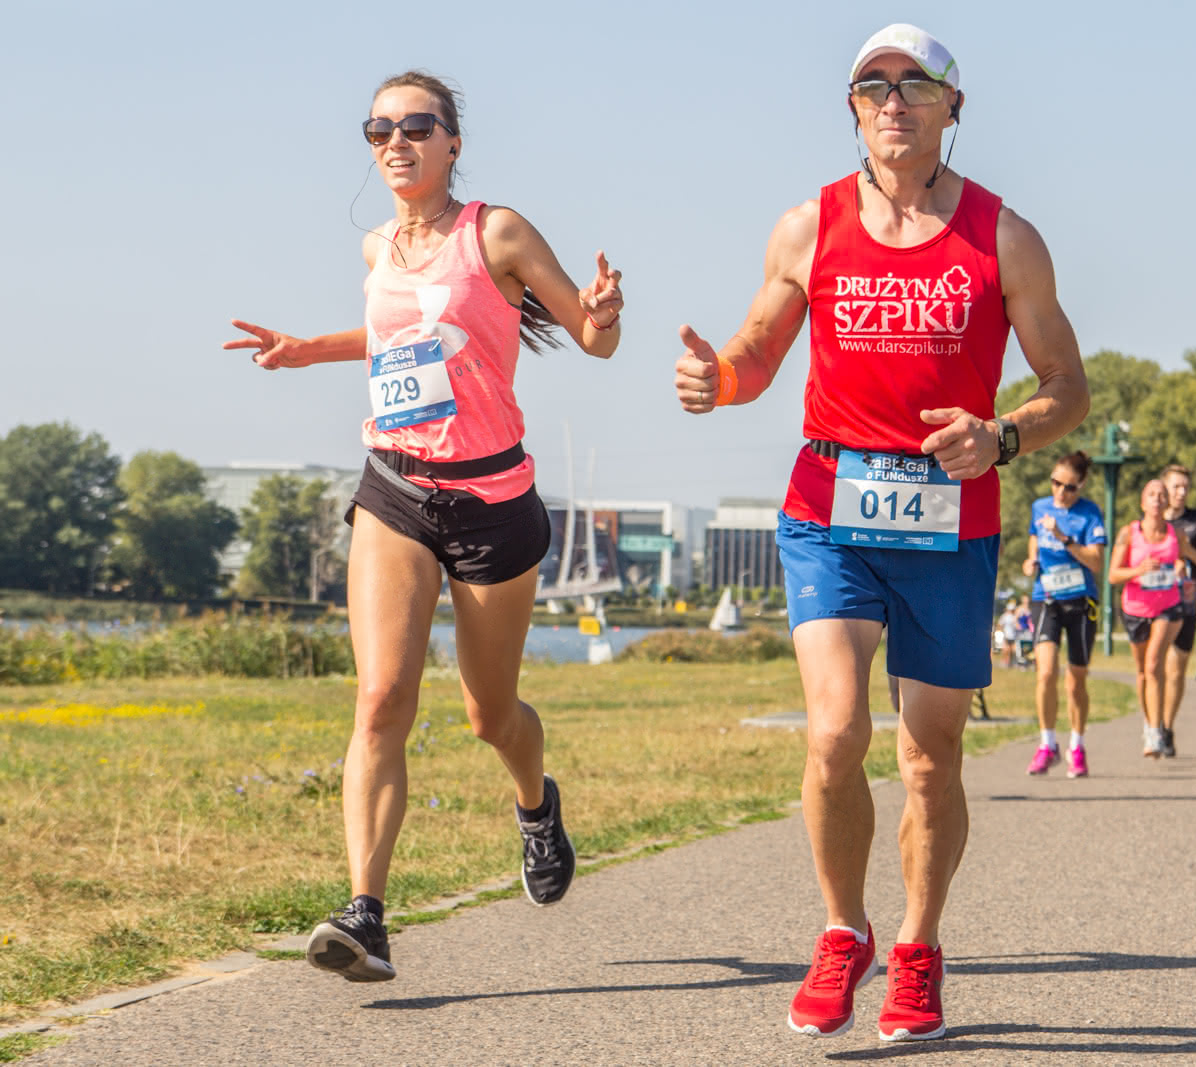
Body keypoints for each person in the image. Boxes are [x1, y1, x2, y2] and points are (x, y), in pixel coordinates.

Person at [673, 23, 1087, 1042]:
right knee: (831, 731)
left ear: (953, 108)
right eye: (872, 85)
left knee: (929, 756)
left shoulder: (1004, 236)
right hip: (830, 509)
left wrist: (1000, 435)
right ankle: (838, 928)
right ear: (852, 108)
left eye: (915, 85)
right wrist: (716, 380)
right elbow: (759, 348)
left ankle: (917, 945)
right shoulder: (807, 226)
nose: (893, 100)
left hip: (951, 524)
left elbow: (1067, 389)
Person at [223, 70, 622, 981]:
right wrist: (307, 348)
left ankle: (535, 802)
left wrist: (600, 316)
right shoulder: (379, 248)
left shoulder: (498, 232)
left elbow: (590, 337)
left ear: (453, 142)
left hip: (492, 503)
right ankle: (365, 912)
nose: (395, 142)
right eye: (379, 129)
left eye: (417, 125)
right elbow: (397, 335)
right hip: (396, 489)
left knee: (490, 713)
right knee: (380, 698)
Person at [1020, 451, 1106, 777]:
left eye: (1069, 487)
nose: (1060, 492)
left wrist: (1064, 538)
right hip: (1047, 598)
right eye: (1056, 483)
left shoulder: (1090, 514)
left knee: (1075, 681)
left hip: (1081, 601)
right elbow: (1033, 536)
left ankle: (1077, 745)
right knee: (1044, 674)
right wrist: (1031, 560)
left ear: (1081, 485)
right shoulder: (1040, 507)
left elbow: (1096, 562)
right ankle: (1046, 744)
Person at [1107, 479, 1193, 759]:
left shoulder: (1176, 534)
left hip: (1168, 606)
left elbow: (1181, 564)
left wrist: (1182, 570)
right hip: (1135, 609)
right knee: (1144, 672)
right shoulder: (1128, 533)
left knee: (1155, 662)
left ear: (1167, 502)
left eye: (1162, 495)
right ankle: (1148, 724)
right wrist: (1138, 569)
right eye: (1152, 494)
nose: (1157, 499)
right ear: (1143, 502)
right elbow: (1112, 575)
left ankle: (1156, 731)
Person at [1157, 464, 1196, 756]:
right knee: (1153, 669)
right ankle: (1152, 724)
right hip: (1152, 605)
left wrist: (1188, 551)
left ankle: (1166, 728)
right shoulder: (1150, 521)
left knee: (1176, 670)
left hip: (1185, 605)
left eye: (1186, 487)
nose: (1181, 492)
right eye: (1176, 486)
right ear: (1163, 487)